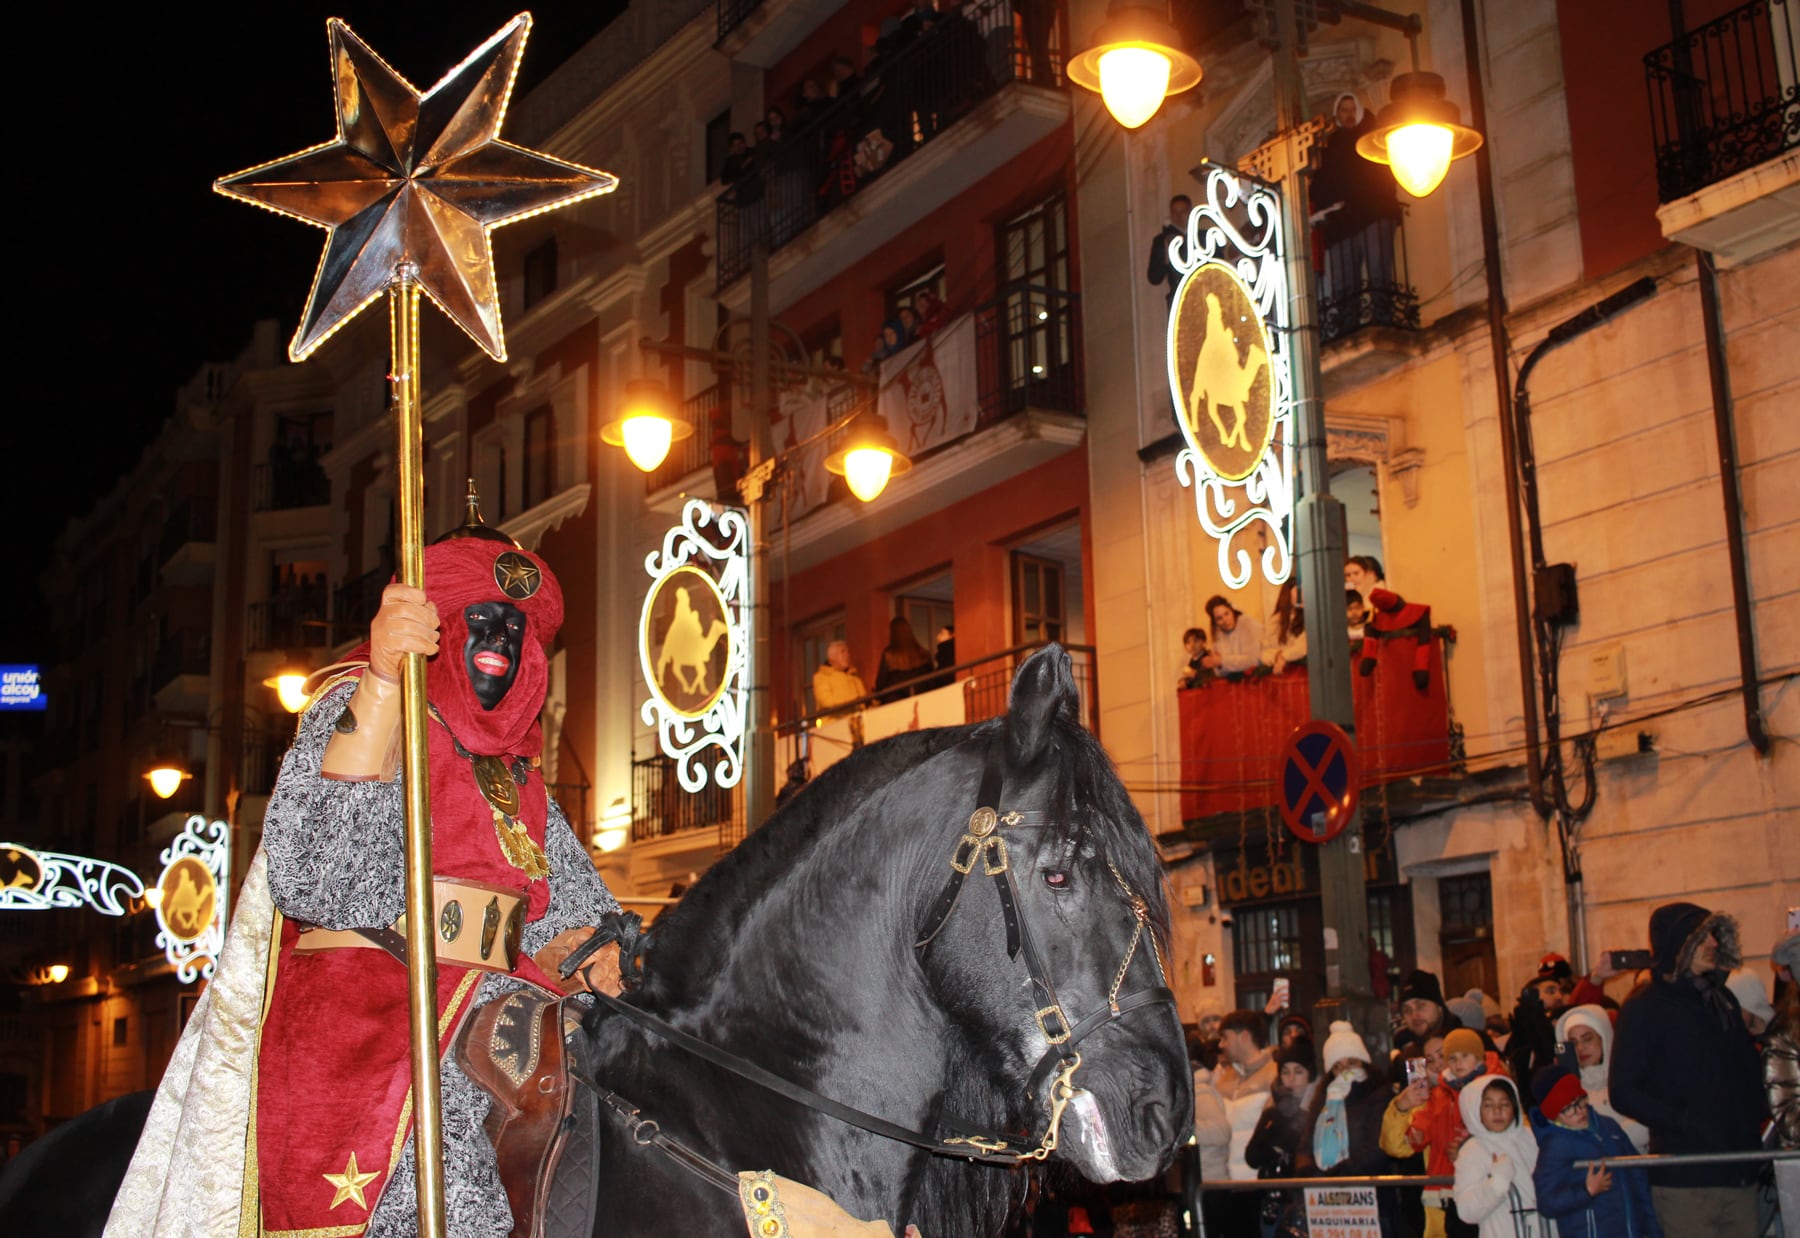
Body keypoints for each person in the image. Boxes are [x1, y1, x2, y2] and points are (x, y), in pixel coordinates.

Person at [110, 522, 621, 1238]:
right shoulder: (366, 705)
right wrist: (384, 680)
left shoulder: (517, 772)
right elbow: (316, 878)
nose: (500, 642)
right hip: (378, 997)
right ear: (439, 625)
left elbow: (567, 901)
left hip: (500, 996)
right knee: (445, 1171)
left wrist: (603, 948)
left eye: (515, 628)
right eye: (481, 620)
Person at [1608, 901, 1767, 1236]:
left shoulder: (1722, 999)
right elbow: (1623, 1091)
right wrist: (1685, 1122)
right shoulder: (1644, 1007)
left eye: (1714, 934)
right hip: (1686, 1180)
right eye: (1702, 936)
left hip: (1738, 1173)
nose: (1713, 943)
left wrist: (1755, 1126)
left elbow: (1747, 1076)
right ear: (1677, 945)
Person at [1530, 1066, 1662, 1237]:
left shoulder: (1608, 1126)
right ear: (1554, 1115)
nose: (1579, 1111)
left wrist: (1653, 1231)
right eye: (1568, 1108)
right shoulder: (1556, 1145)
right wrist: (1586, 1191)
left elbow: (1637, 1176)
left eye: (1580, 1100)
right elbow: (1547, 1202)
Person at [1308, 93, 1401, 328]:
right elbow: (1322, 185)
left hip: (1373, 212)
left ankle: (1382, 316)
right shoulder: (1330, 147)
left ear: (1358, 111)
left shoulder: (1371, 140)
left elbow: (1384, 175)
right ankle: (1347, 324)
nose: (1348, 115)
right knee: (1343, 281)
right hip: (1342, 223)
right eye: (1343, 110)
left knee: (1378, 270)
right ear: (1337, 114)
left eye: (1351, 109)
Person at [1407, 1028, 1506, 1236]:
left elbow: (1502, 1124)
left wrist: (1468, 1149)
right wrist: (1418, 1133)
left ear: (1478, 1057)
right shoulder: (1442, 1091)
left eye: (1464, 1056)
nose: (1457, 1063)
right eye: (1451, 1057)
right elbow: (1429, 1118)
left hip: (1485, 1172)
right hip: (1452, 1177)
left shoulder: (1495, 1085)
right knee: (1457, 1226)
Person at [1452, 1075, 1545, 1238]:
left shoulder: (1530, 1137)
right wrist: (1496, 1184)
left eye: (1505, 1104)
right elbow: (1466, 1211)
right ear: (1475, 1109)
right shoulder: (1473, 1150)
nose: (1497, 1111)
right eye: (1488, 1105)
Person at [1246, 1038, 1319, 1237]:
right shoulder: (1272, 1112)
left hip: (1306, 1201)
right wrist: (1276, 1146)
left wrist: (1277, 1143)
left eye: (1298, 1071)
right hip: (1273, 1200)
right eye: (1285, 1072)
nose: (1291, 1079)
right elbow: (1252, 1156)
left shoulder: (1317, 1109)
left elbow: (1302, 1148)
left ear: (1310, 1074)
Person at [1553, 1004, 1648, 1152]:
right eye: (1573, 1043)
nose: (1580, 1048)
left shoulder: (1630, 1078)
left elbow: (1648, 1125)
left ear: (1603, 1038)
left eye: (1587, 1039)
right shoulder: (1566, 1090)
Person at [1312, 1021, 1391, 1181]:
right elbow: (1306, 1144)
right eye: (1338, 1066)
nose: (1345, 1072)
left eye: (1352, 1063)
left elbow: (1377, 1147)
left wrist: (1342, 1172)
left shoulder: (1379, 1095)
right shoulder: (1324, 1101)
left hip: (1368, 1188)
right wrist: (1308, 1171)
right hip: (1326, 1193)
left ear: (1363, 1063)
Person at [1395, 968, 1462, 1054]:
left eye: (1420, 1006)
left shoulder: (1468, 1044)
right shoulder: (1406, 1055)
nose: (1414, 1016)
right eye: (1407, 1010)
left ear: (1439, 1007)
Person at [1146, 194, 1192, 308]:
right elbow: (1154, 277)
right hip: (1179, 297)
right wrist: (1166, 257)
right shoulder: (1162, 240)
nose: (1178, 216)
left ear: (1190, 212)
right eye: (1174, 212)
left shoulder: (1204, 236)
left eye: (1183, 212)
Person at [1200, 594, 1262, 678]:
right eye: (1219, 618)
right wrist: (1215, 663)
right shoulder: (1217, 634)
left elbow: (1253, 660)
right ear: (1215, 623)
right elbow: (1220, 672)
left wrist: (1222, 661)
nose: (1225, 620)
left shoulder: (1247, 624)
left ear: (1232, 611)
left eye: (1227, 614)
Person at [872, 616, 933, 701]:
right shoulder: (923, 654)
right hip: (922, 700)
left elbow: (880, 684)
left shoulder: (889, 655)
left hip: (895, 702)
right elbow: (932, 680)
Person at [811, 639, 867, 714]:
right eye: (843, 651)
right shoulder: (822, 677)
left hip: (856, 721)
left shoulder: (854, 677)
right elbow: (827, 701)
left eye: (848, 652)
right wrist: (852, 700)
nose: (847, 655)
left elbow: (863, 702)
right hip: (835, 723)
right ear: (832, 657)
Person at [1261, 579, 1306, 674]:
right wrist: (1277, 656)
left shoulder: (1311, 617)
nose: (1303, 595)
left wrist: (1284, 656)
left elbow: (1304, 646)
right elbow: (1265, 650)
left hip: (1302, 672)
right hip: (1279, 673)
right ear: (1287, 594)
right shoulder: (1276, 620)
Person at [1726, 967, 1775, 1037]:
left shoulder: (1779, 1038)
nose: (1732, 1015)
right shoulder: (1735, 1039)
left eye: (1736, 1008)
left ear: (1751, 1003)